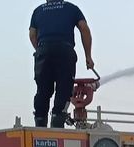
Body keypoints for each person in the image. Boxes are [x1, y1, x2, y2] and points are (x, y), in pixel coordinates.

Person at [29, 0, 94, 128]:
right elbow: (84, 29)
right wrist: (88, 56)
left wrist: (41, 51)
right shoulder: (72, 8)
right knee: (64, 89)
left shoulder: (38, 11)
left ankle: (40, 123)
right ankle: (57, 121)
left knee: (43, 90)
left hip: (43, 50)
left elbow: (32, 35)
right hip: (65, 51)